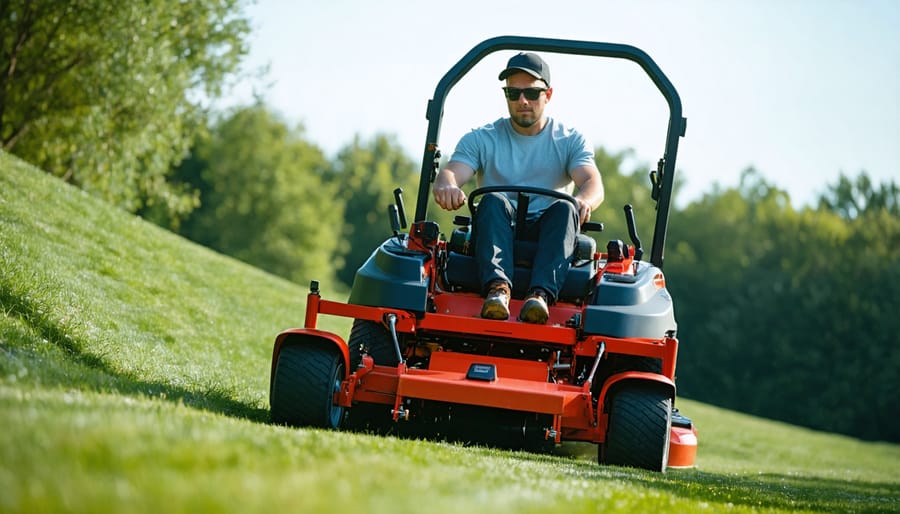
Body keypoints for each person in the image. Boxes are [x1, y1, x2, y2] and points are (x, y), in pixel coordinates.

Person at [433, 52, 604, 324]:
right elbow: (451, 173)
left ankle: (540, 297)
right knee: (492, 200)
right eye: (513, 94)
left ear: (548, 94)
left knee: (564, 206)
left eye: (532, 94)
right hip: (497, 226)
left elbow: (592, 182)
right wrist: (448, 187)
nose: (522, 101)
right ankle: (498, 291)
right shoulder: (482, 138)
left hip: (550, 229)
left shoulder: (569, 140)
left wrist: (584, 200)